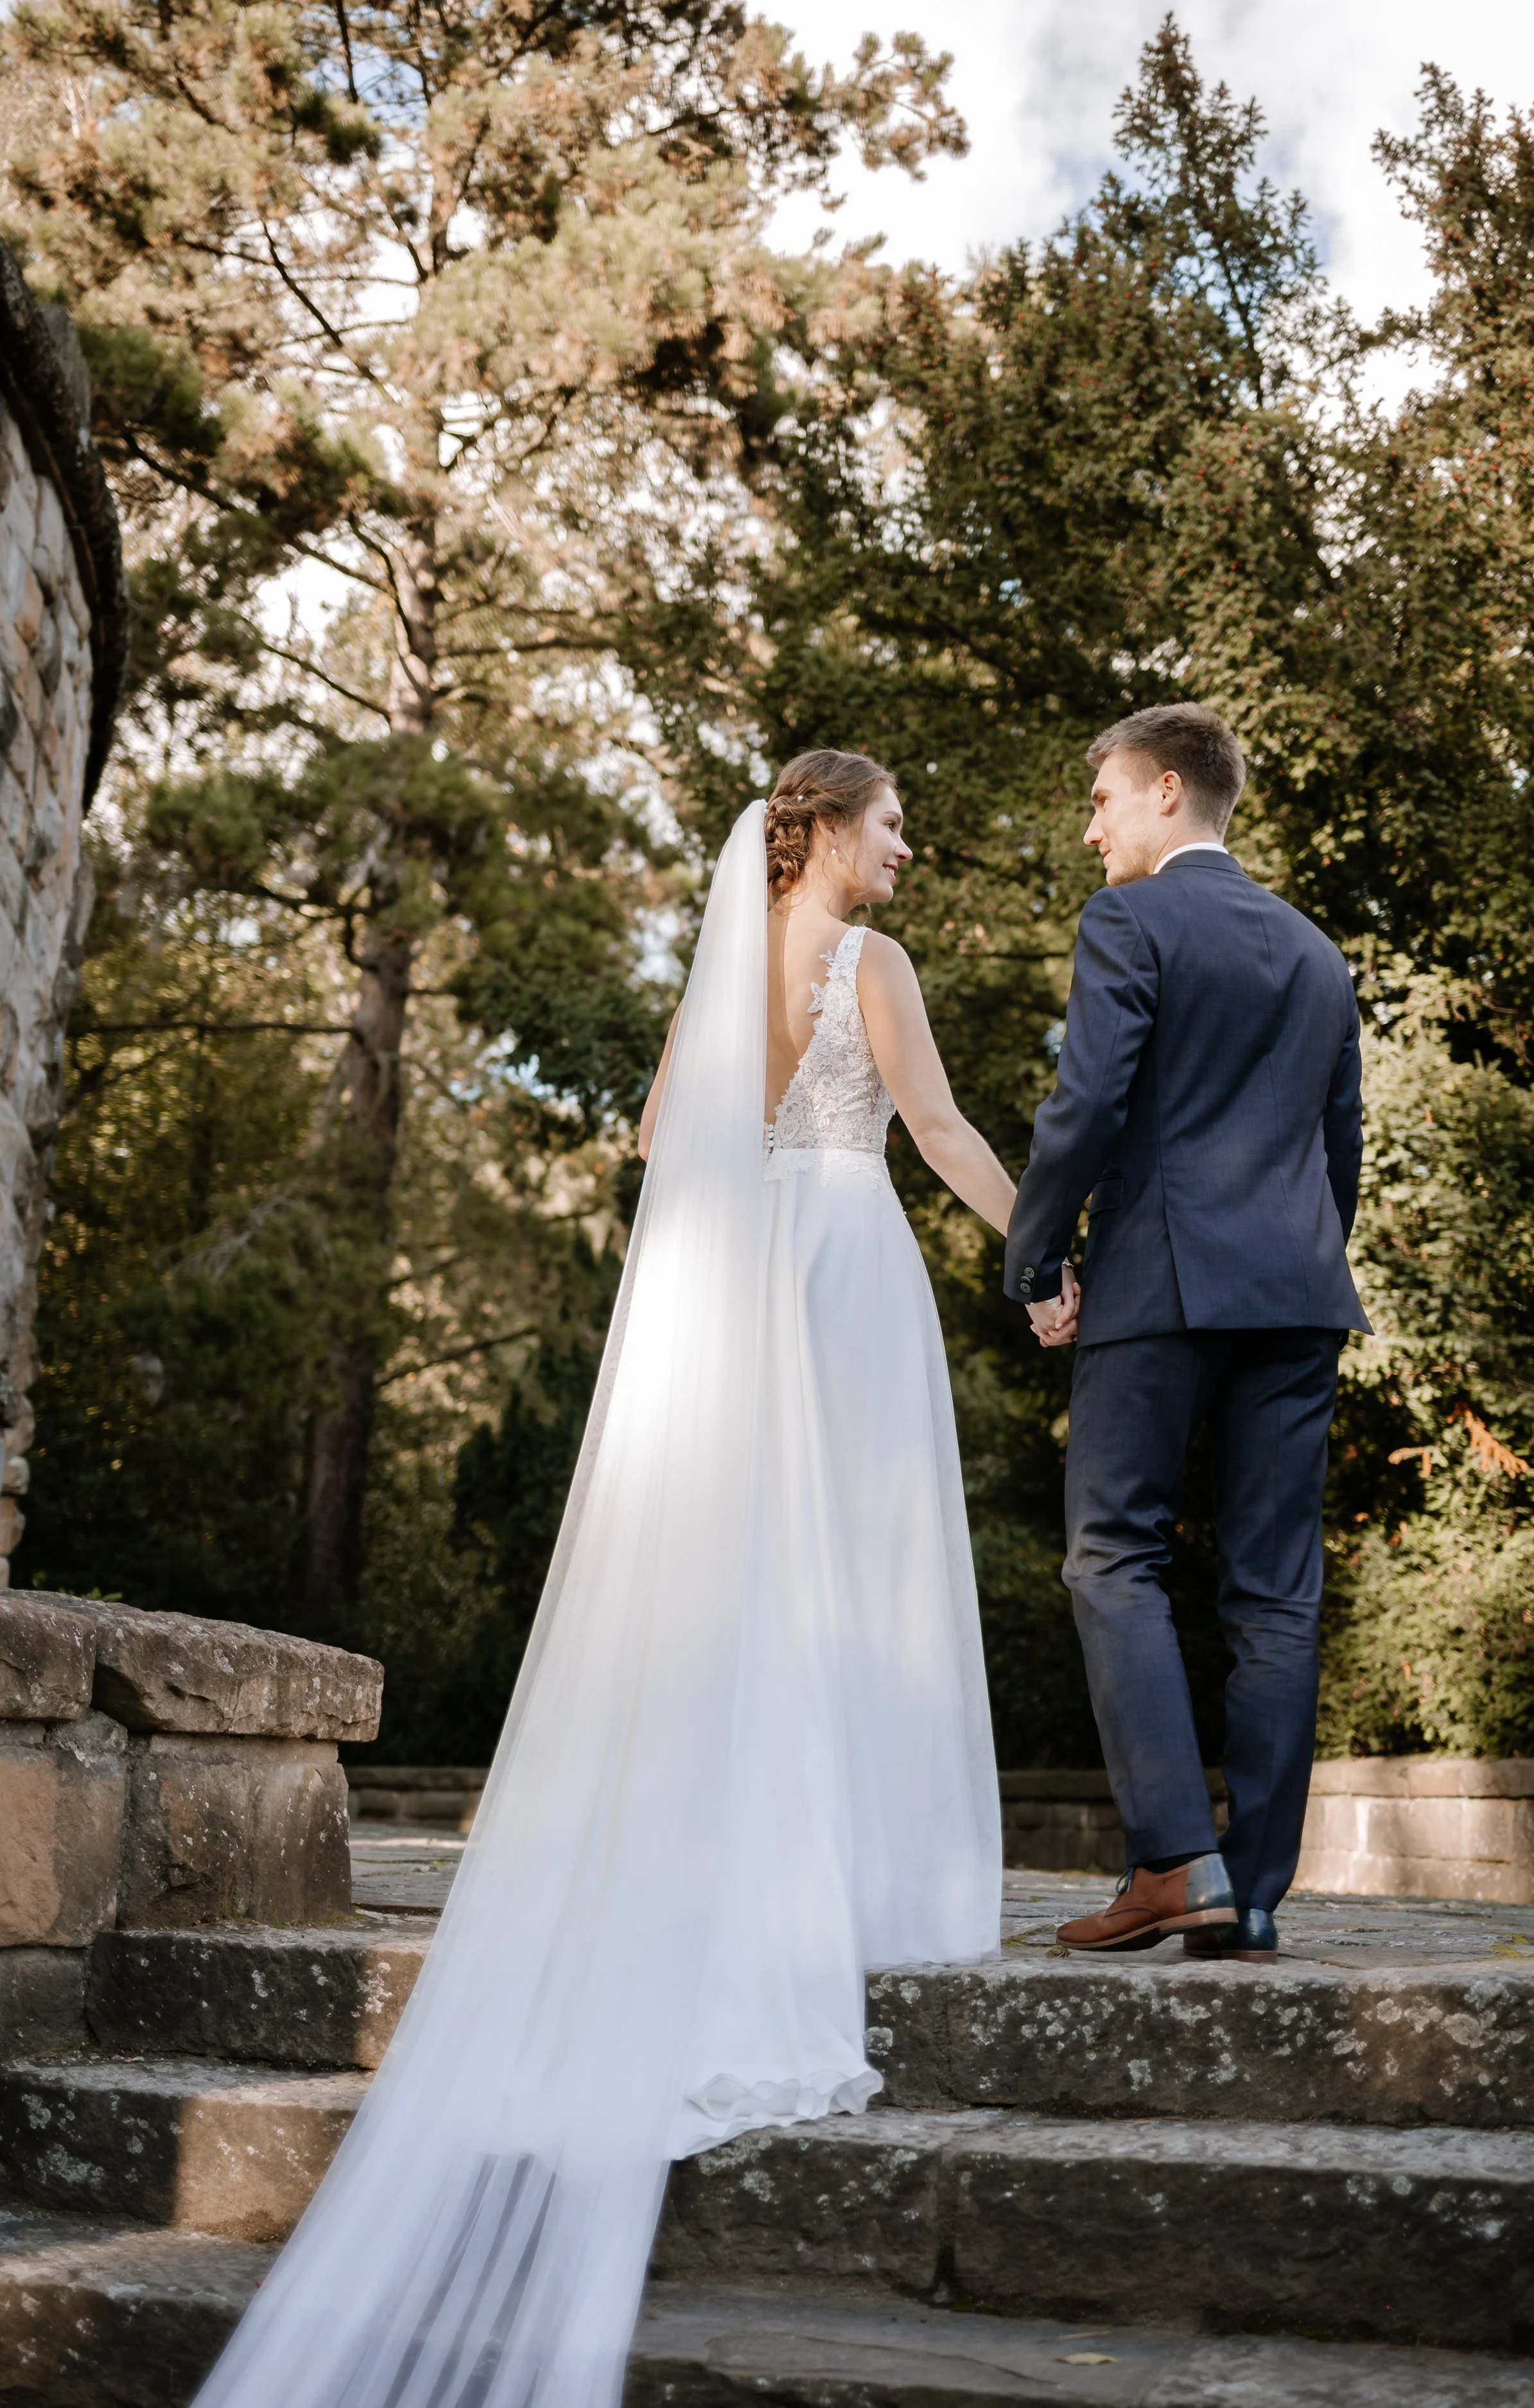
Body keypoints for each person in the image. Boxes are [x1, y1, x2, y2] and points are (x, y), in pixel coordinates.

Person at [189, 753, 1010, 2408]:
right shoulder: (871, 966)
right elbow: (929, 1123)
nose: (908, 846)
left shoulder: (726, 964)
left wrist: (752, 1177)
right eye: (893, 824)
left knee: (760, 1586)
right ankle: (865, 1873)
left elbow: (656, 1136)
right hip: (845, 1265)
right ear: (831, 832)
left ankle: (756, 1861)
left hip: (744, 1274)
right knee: (868, 1574)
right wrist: (1042, 1244)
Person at [1004, 704, 1368, 1966]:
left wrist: (1037, 1257)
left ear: (1165, 791)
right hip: (1299, 1293)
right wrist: (1301, 1258)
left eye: (1101, 796)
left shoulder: (1130, 920)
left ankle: (1172, 1864)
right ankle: (1252, 1894)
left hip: (1158, 1279)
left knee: (1111, 1556)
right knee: (1276, 1593)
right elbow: (1339, 1156)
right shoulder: (1318, 953)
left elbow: (1087, 1103)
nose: (1090, 822)